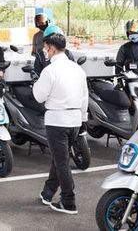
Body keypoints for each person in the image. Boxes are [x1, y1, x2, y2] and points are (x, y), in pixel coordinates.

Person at [33, 32, 88, 215]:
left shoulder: (50, 70)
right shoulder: (77, 69)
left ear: (52, 48)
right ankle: (48, 193)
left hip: (57, 121)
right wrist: (83, 120)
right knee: (59, 159)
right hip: (74, 121)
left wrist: (36, 84)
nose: (44, 51)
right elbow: (84, 97)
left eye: (45, 48)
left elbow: (39, 96)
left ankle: (68, 201)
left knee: (61, 162)